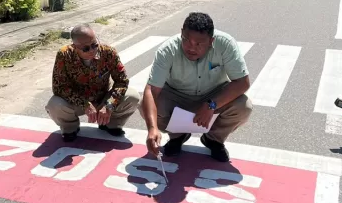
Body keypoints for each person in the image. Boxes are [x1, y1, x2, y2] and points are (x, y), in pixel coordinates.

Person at [141, 12, 252, 163]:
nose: (191, 47)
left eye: (199, 43)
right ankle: (178, 136)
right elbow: (151, 91)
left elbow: (242, 82)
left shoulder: (225, 44)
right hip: (177, 96)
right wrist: (152, 128)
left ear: (211, 41)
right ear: (181, 33)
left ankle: (214, 139)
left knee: (243, 106)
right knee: (146, 104)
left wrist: (212, 104)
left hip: (213, 94)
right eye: (186, 40)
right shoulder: (167, 50)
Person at [46, 24, 140, 142]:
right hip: (78, 102)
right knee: (54, 104)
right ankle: (70, 128)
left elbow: (122, 81)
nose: (92, 50)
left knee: (133, 96)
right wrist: (84, 104)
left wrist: (109, 105)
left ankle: (110, 124)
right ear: (75, 47)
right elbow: (60, 87)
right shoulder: (64, 55)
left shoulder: (108, 52)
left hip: (102, 99)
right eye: (86, 48)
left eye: (94, 44)